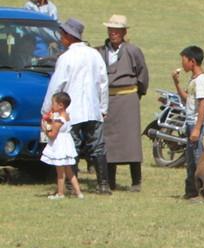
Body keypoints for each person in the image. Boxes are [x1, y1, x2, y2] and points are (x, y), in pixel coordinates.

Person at [41, 18, 111, 195]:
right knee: (98, 147)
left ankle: (72, 185)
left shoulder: (66, 58)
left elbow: (56, 86)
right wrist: (103, 108)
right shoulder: (95, 54)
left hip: (72, 112)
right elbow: (103, 83)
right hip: (93, 109)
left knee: (71, 147)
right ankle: (103, 184)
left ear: (67, 36)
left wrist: (46, 110)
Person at [100, 15, 149, 192]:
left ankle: (136, 181)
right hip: (108, 99)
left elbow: (142, 75)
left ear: (124, 32)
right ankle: (110, 180)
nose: (113, 33)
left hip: (128, 98)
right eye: (111, 30)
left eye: (117, 30)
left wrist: (137, 94)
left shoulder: (133, 51)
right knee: (109, 141)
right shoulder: (101, 52)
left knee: (131, 141)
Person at [174, 46, 204, 200]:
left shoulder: (202, 80)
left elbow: (202, 105)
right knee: (190, 160)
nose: (182, 64)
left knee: (199, 160)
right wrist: (176, 83)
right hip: (191, 123)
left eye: (184, 60)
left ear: (192, 61)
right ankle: (191, 192)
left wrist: (197, 128)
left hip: (199, 125)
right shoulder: (194, 80)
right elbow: (186, 99)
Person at [40, 92, 83, 200]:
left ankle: (60, 193)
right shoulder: (66, 116)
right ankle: (78, 192)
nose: (51, 105)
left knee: (60, 172)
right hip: (67, 143)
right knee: (69, 171)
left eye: (53, 103)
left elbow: (52, 135)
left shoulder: (59, 120)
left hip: (60, 145)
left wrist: (45, 128)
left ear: (60, 105)